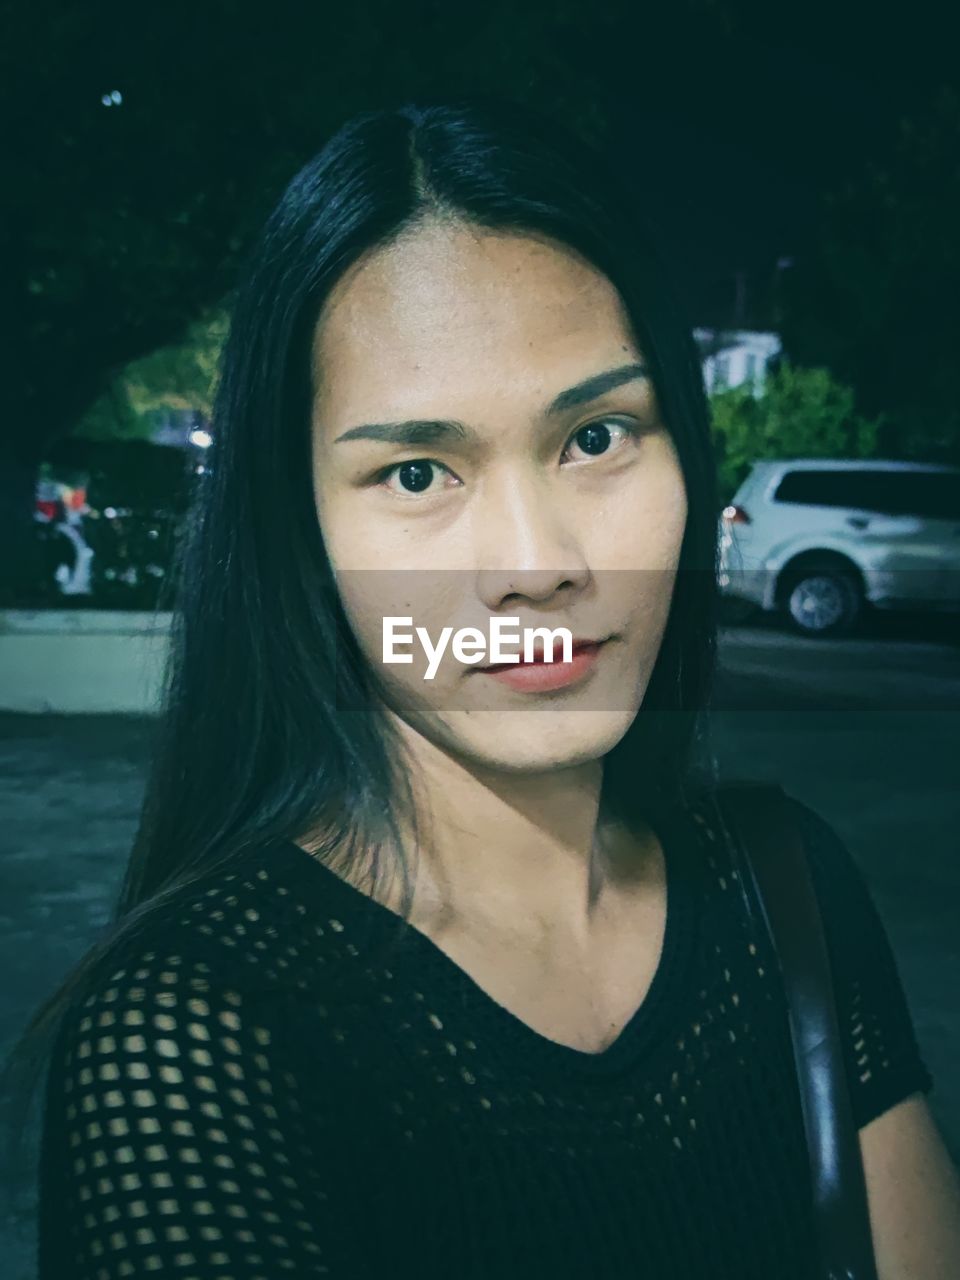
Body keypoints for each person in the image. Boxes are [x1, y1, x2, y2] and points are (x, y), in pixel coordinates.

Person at [12, 96, 960, 1279]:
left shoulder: (790, 891)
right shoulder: (195, 1033)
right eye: (417, 471)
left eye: (599, 436)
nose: (538, 562)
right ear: (297, 528)